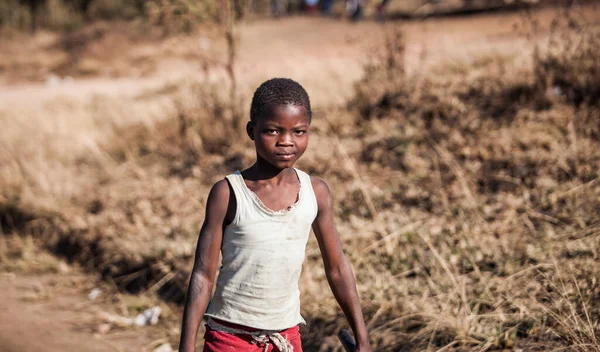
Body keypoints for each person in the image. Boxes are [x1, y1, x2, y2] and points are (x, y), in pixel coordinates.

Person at [178, 78, 372, 352]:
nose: (286, 141)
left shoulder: (315, 192)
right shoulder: (228, 194)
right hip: (230, 339)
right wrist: (186, 348)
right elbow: (203, 275)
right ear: (251, 130)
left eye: (299, 132)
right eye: (272, 131)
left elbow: (338, 268)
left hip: (286, 338)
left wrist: (362, 340)